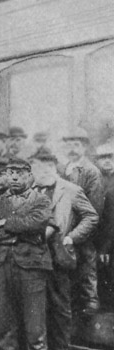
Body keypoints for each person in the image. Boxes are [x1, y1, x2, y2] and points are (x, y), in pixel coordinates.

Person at [0, 157, 52, 350]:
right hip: (2, 266)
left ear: (29, 175)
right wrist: (16, 232)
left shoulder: (41, 199)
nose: (13, 176)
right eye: (10, 172)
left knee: (35, 325)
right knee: (5, 321)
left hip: (32, 268)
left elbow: (37, 223)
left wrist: (4, 225)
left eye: (19, 173)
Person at [29, 148, 98, 350]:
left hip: (59, 255)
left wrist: (71, 237)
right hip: (34, 257)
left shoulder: (71, 190)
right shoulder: (31, 191)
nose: (41, 171)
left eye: (46, 166)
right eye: (37, 167)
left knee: (60, 304)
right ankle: (42, 348)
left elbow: (91, 216)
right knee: (38, 304)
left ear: (53, 167)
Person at [61, 128, 104, 314]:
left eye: (76, 145)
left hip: (83, 226)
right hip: (65, 226)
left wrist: (80, 229)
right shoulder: (63, 169)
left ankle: (90, 301)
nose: (72, 149)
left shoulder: (91, 171)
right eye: (68, 145)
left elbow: (95, 208)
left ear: (85, 147)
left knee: (86, 261)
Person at [95, 144, 114, 303]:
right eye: (103, 158)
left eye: (111, 157)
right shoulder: (95, 180)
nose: (107, 161)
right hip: (97, 237)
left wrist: (105, 247)